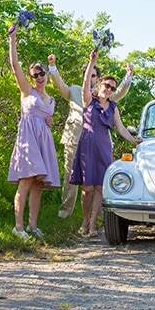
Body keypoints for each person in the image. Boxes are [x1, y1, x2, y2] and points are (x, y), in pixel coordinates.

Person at [48, 54, 132, 219]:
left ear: (98, 79)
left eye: (94, 75)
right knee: (70, 178)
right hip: (74, 139)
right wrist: (52, 67)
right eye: (89, 74)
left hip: (96, 144)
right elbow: (59, 86)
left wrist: (128, 77)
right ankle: (65, 214)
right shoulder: (75, 91)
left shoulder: (104, 95)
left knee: (97, 181)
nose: (91, 78)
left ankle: (96, 216)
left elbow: (119, 92)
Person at [70, 51, 141, 236]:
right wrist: (92, 61)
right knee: (86, 188)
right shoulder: (88, 100)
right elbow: (86, 83)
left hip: (103, 148)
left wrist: (134, 140)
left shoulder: (113, 107)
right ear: (100, 84)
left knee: (100, 187)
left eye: (112, 88)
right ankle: (84, 221)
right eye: (107, 85)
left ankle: (93, 224)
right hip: (86, 147)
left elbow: (121, 129)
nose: (109, 89)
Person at [7, 24, 61, 239]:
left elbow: (46, 118)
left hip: (44, 140)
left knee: (38, 183)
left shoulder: (52, 100)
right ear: (31, 77)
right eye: (35, 74)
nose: (39, 77)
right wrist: (12, 41)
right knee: (26, 181)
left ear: (46, 74)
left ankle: (32, 226)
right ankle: (17, 227)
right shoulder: (27, 91)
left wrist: (49, 122)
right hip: (28, 139)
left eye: (42, 73)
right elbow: (14, 66)